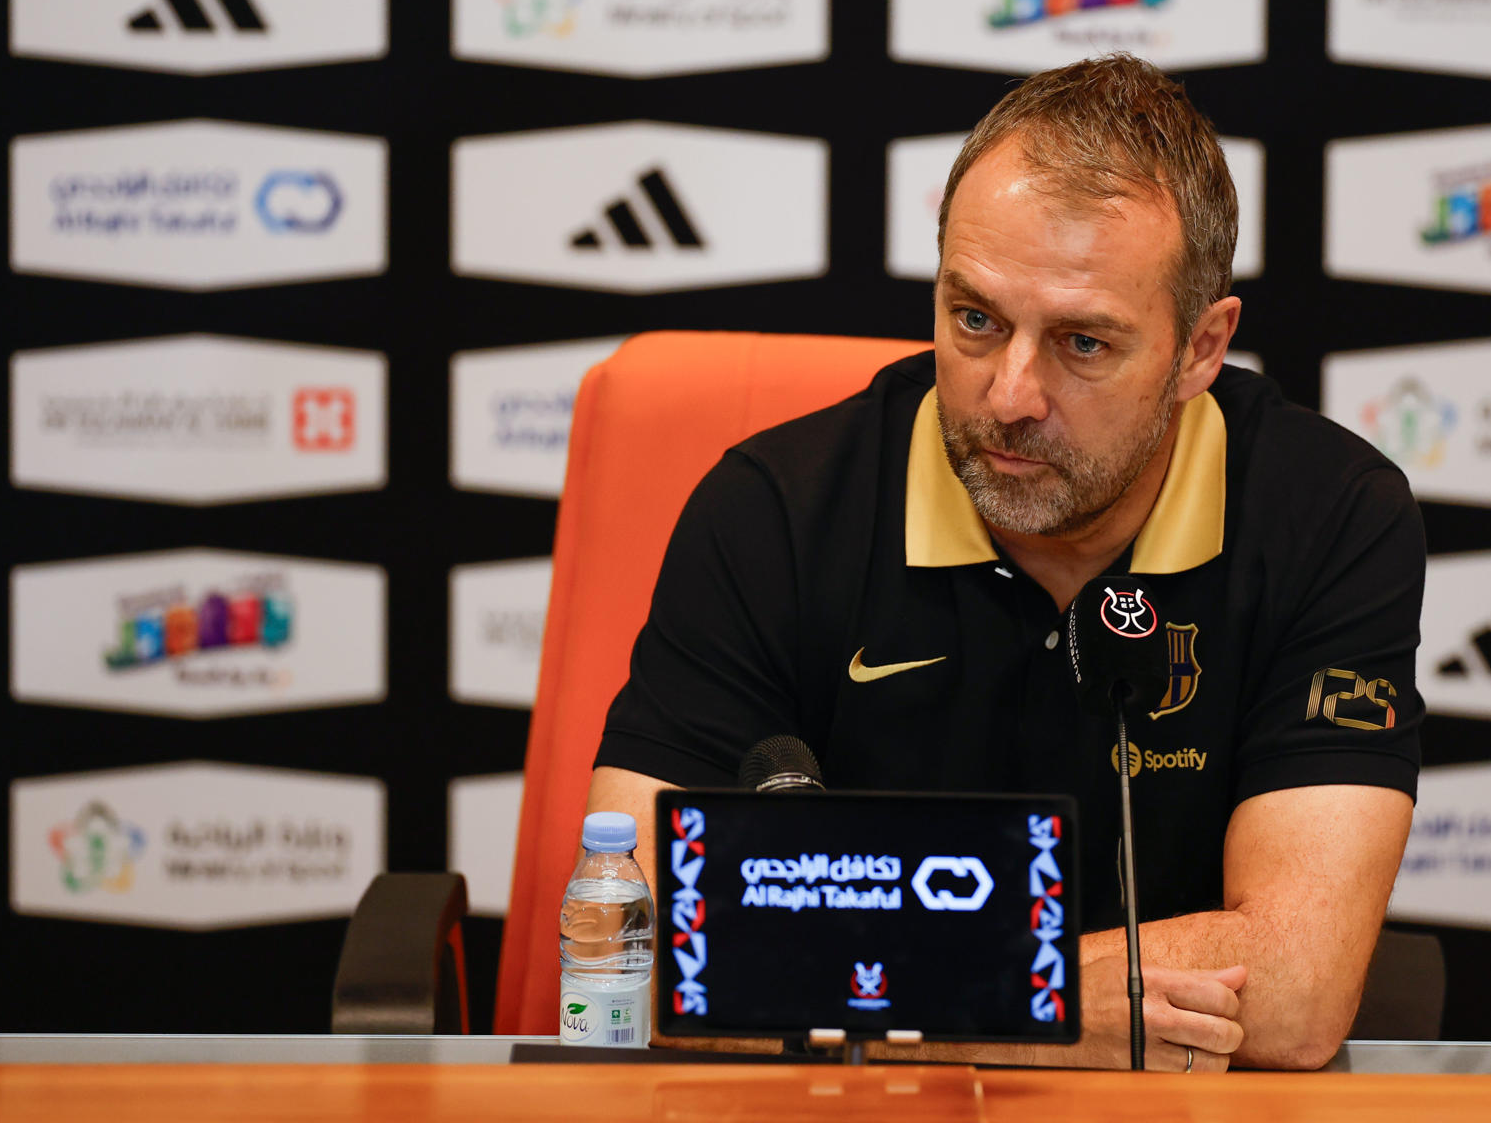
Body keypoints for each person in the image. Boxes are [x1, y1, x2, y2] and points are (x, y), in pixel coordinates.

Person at [584, 54, 1425, 1072]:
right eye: (975, 319)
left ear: (1202, 348)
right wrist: (1047, 1007)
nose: (1010, 393)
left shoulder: (1329, 517)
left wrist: (883, 989)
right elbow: (625, 957)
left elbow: (1295, 988)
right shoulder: (773, 510)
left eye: (1082, 343)